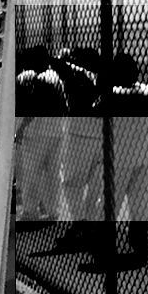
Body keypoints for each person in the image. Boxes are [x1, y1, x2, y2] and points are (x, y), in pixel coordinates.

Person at [100, 52, 148, 265]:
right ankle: (139, 248)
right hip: (142, 158)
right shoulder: (147, 91)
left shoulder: (112, 93)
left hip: (120, 159)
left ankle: (106, 247)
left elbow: (98, 108)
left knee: (109, 206)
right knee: (140, 206)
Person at [49, 48, 105, 252]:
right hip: (103, 135)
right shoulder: (105, 78)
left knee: (71, 183)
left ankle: (80, 226)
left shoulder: (79, 74)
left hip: (80, 134)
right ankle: (89, 228)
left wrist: (60, 58)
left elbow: (58, 64)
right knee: (96, 186)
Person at [14, 45, 67, 220]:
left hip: (39, 132)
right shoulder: (56, 77)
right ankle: (53, 211)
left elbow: (33, 108)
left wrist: (21, 129)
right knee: (52, 174)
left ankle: (30, 211)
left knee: (32, 172)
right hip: (58, 130)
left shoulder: (41, 79)